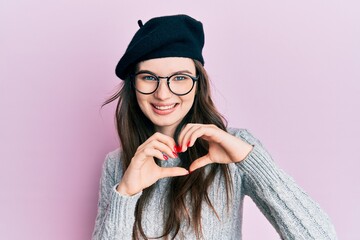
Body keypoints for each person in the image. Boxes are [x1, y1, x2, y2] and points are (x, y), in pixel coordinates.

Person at [92, 14, 337, 240]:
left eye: (179, 78)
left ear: (198, 84)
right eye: (149, 77)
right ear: (133, 85)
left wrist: (249, 160)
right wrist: (125, 194)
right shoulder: (117, 163)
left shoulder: (234, 147)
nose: (163, 93)